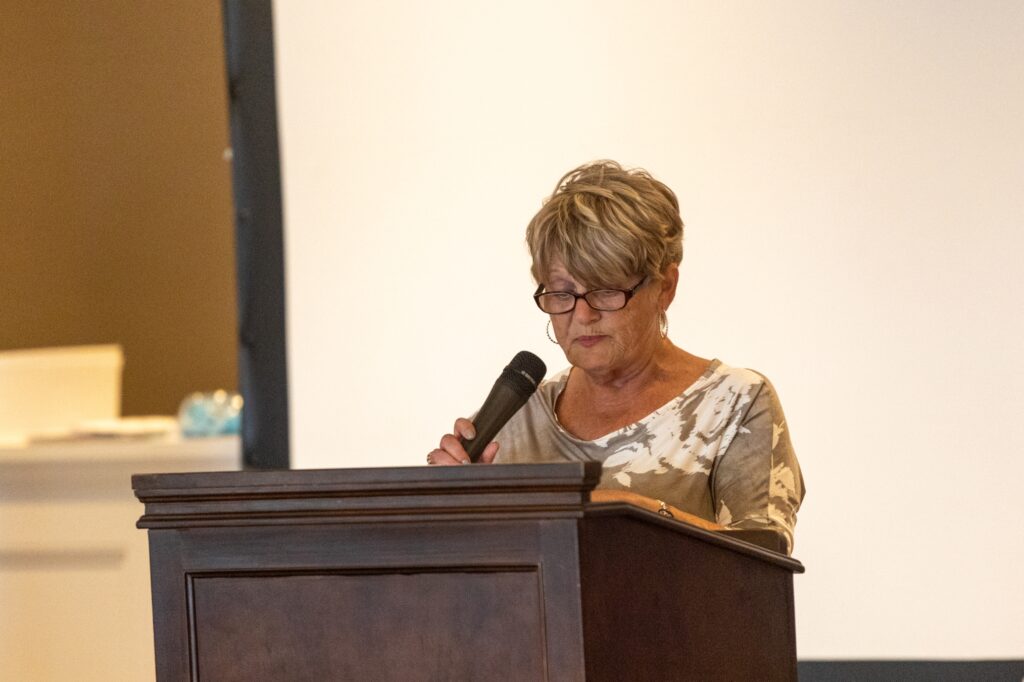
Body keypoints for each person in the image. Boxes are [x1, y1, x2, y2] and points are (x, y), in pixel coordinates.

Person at [427, 160, 805, 554]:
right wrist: (448, 510)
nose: (583, 315)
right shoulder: (510, 425)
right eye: (562, 293)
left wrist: (630, 512)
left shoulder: (735, 403)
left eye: (606, 290)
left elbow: (764, 560)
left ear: (665, 287)